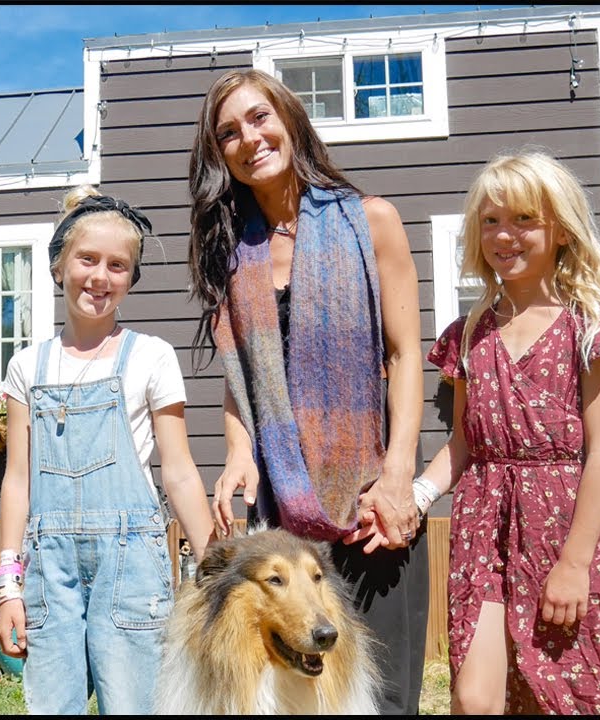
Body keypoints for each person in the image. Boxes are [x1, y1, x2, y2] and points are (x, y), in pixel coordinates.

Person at [187, 68, 429, 714]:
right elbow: (241, 383)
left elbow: (407, 355)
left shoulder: (369, 221)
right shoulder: (232, 256)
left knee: (388, 698)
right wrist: (238, 453)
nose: (250, 138)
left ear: (290, 119)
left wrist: (400, 475)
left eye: (260, 117)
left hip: (374, 507)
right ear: (220, 156)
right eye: (229, 133)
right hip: (285, 523)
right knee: (299, 701)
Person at [421, 151, 600, 714]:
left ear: (560, 229)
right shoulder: (470, 332)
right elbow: (467, 444)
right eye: (491, 221)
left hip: (562, 529)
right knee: (474, 700)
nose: (505, 235)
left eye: (524, 220)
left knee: (570, 696)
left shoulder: (592, 329)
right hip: (482, 529)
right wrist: (418, 495)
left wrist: (574, 564)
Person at [0, 186, 215, 715]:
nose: (100, 276)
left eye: (118, 265)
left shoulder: (152, 357)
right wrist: (8, 587)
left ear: (131, 279)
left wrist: (214, 568)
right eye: (87, 259)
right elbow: (17, 481)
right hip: (49, 568)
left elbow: (179, 472)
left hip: (132, 567)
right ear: (57, 266)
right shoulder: (28, 367)